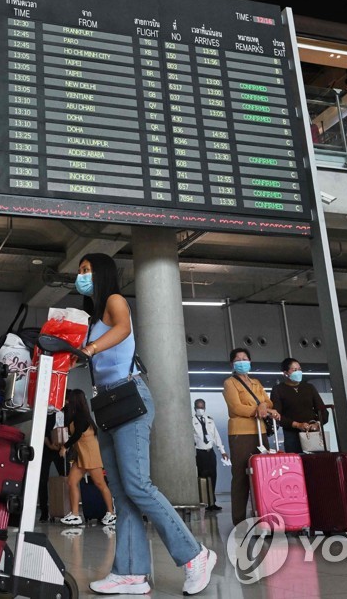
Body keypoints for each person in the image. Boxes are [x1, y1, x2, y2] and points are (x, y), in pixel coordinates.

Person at [75, 253, 215, 596]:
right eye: (79, 271)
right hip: (106, 402)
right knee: (122, 494)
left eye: (87, 270)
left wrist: (90, 348)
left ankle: (195, 555)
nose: (81, 276)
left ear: (102, 272)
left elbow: (123, 329)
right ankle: (131, 572)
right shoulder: (92, 317)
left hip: (129, 396)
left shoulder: (114, 300)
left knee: (138, 485)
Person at [222, 348, 280, 527]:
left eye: (245, 358)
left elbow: (268, 403)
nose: (242, 361)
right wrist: (258, 409)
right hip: (241, 433)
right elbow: (236, 408)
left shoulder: (256, 383)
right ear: (232, 364)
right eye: (238, 359)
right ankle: (239, 519)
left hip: (260, 431)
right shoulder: (230, 383)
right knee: (240, 475)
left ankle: (263, 514)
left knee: (263, 474)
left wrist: (263, 405)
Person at [59, 388, 116, 526]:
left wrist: (65, 446)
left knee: (100, 483)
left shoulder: (81, 417)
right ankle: (75, 514)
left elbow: (77, 434)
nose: (67, 401)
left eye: (69, 399)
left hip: (90, 454)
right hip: (81, 455)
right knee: (72, 482)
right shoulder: (75, 414)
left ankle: (111, 513)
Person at [269, 358, 328, 454]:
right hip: (291, 435)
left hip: (312, 433)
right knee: (297, 460)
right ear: (285, 373)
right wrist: (297, 425)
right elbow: (277, 416)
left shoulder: (309, 388)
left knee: (317, 461)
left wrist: (317, 424)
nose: (298, 372)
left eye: (299, 369)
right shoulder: (278, 389)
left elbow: (322, 410)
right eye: (294, 370)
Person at [191, 398, 227, 511]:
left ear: (205, 408)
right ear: (194, 408)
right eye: (198, 407)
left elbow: (216, 436)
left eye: (202, 407)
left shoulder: (210, 420)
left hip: (210, 452)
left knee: (212, 477)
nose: (200, 409)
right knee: (202, 478)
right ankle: (203, 502)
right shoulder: (191, 421)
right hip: (199, 453)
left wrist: (222, 451)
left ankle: (212, 503)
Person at [38, 410, 67, 523]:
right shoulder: (49, 412)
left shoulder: (63, 412)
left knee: (64, 478)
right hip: (49, 449)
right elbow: (43, 432)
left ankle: (64, 509)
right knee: (43, 480)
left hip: (57, 449)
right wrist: (50, 445)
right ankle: (45, 511)